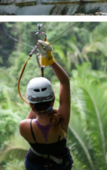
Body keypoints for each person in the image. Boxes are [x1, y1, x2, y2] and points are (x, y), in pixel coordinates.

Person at [19, 40, 73, 170]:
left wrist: (36, 104)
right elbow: (65, 82)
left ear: (31, 105)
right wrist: (50, 59)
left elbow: (34, 114)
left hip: (35, 165)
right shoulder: (61, 121)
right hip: (61, 165)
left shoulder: (24, 126)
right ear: (53, 99)